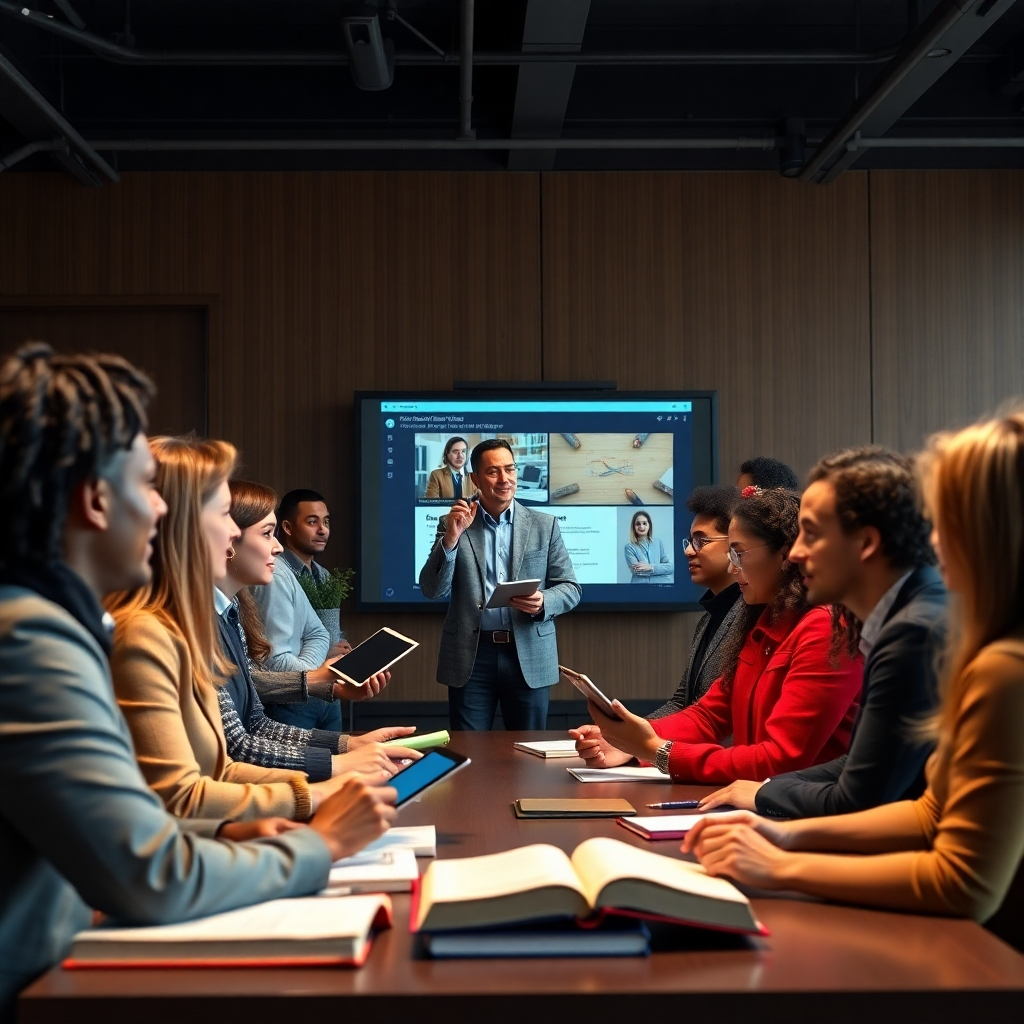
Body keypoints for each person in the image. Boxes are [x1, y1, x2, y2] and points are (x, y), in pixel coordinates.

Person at [0, 345, 395, 1020]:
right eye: (145, 484)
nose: (162, 509)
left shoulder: (54, 623)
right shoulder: (32, 641)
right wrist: (321, 842)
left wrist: (221, 834)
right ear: (95, 500)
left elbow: (147, 825)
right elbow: (149, 873)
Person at [683, 415, 1024, 952]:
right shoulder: (965, 636)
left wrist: (779, 863)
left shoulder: (985, 656)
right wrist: (784, 831)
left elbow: (964, 882)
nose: (932, 541)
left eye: (946, 520)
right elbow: (932, 809)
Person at [108, 436, 380, 821]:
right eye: (224, 515)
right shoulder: (148, 633)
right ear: (181, 524)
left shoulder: (216, 614)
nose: (234, 532)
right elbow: (205, 779)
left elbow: (242, 737)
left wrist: (346, 751)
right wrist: (332, 774)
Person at [700, 448, 947, 817]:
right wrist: (765, 790)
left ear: (866, 543)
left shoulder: (913, 632)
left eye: (811, 534)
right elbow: (858, 767)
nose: (796, 553)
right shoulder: (903, 615)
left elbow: (860, 798)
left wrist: (764, 797)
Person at [571, 488, 862, 782]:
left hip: (805, 805)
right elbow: (709, 715)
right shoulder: (764, 620)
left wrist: (658, 751)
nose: (733, 567)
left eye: (739, 553)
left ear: (785, 554)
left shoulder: (826, 628)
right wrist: (630, 738)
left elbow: (781, 758)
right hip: (762, 799)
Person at [217, 478, 420, 781]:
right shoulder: (197, 623)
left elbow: (256, 716)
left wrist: (350, 744)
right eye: (267, 533)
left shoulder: (231, 610)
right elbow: (239, 744)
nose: (277, 547)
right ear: (227, 539)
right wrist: (339, 763)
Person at [418, 438, 582, 730]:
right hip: (472, 655)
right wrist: (451, 539)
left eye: (510, 469)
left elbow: (570, 587)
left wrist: (544, 601)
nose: (505, 479)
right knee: (468, 750)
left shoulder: (544, 525)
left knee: (529, 751)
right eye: (493, 472)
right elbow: (433, 589)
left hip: (528, 653)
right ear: (475, 479)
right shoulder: (452, 523)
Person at [648, 485, 744, 718]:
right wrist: (626, 732)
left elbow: (718, 715)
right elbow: (682, 701)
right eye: (690, 541)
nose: (689, 551)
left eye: (701, 541)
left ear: (736, 544)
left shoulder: (751, 616)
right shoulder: (707, 619)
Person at [261, 487, 349, 731]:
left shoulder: (325, 576)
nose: (323, 530)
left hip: (328, 697)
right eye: (312, 522)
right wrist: (324, 659)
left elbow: (321, 631)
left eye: (326, 522)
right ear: (287, 528)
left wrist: (340, 645)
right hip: (291, 702)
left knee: (338, 754)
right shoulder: (273, 573)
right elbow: (273, 654)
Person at [623, 510, 673, 583]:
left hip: (658, 586)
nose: (641, 526)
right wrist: (660, 569)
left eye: (644, 523)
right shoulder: (629, 547)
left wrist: (651, 567)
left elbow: (670, 567)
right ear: (633, 527)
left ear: (649, 525)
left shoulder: (658, 543)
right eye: (638, 524)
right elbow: (637, 570)